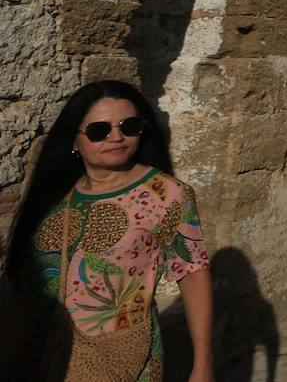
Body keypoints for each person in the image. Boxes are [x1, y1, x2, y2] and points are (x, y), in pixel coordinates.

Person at [2, 79, 214, 382]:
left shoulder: (165, 194)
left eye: (129, 126)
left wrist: (203, 364)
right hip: (46, 355)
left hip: (123, 357)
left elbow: (193, 273)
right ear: (74, 140)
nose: (117, 137)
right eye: (100, 130)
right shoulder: (52, 195)